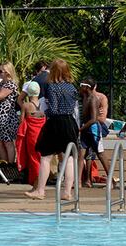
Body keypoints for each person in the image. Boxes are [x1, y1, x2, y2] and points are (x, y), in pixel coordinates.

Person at [26, 59, 79, 200]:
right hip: (70, 122)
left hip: (56, 123)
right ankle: (67, 191)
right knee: (69, 158)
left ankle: (40, 190)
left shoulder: (52, 87)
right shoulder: (72, 87)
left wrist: (42, 113)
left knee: (46, 157)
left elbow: (54, 110)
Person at [78, 79, 112, 187]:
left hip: (93, 129)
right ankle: (78, 180)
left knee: (100, 154)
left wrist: (81, 129)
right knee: (81, 154)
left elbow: (93, 119)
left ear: (87, 88)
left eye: (81, 85)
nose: (79, 88)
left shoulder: (93, 99)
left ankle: (112, 180)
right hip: (85, 128)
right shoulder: (85, 97)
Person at [15, 81, 46, 187]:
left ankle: (36, 182)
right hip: (42, 135)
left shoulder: (26, 106)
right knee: (42, 158)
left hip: (31, 136)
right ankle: (42, 180)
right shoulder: (44, 104)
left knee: (33, 158)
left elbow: (21, 121)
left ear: (28, 92)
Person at [0, 62, 19, 167]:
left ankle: (10, 165)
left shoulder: (10, 84)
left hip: (7, 117)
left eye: (1, 71)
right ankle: (3, 164)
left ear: (8, 73)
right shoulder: (2, 83)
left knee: (7, 142)